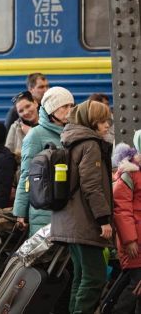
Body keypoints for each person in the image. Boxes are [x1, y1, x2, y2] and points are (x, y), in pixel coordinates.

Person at [49, 100, 113, 314]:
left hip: (69, 220)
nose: (107, 125)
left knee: (81, 276)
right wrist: (103, 219)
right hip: (84, 222)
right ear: (90, 121)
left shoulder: (71, 140)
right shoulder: (90, 145)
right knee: (95, 277)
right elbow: (92, 186)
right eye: (102, 121)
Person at [13, 86, 74, 237]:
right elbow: (26, 175)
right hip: (45, 212)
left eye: (71, 106)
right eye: (64, 106)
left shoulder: (73, 133)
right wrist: (20, 213)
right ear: (52, 110)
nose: (70, 110)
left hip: (71, 211)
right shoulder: (35, 135)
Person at [112, 133, 141, 313]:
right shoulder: (130, 173)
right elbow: (121, 209)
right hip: (135, 241)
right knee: (136, 285)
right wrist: (129, 240)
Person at [5, 91, 40, 158]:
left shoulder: (50, 123)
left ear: (35, 103)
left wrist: (31, 133)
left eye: (28, 106)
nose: (26, 112)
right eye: (21, 111)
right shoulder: (15, 127)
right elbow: (7, 156)